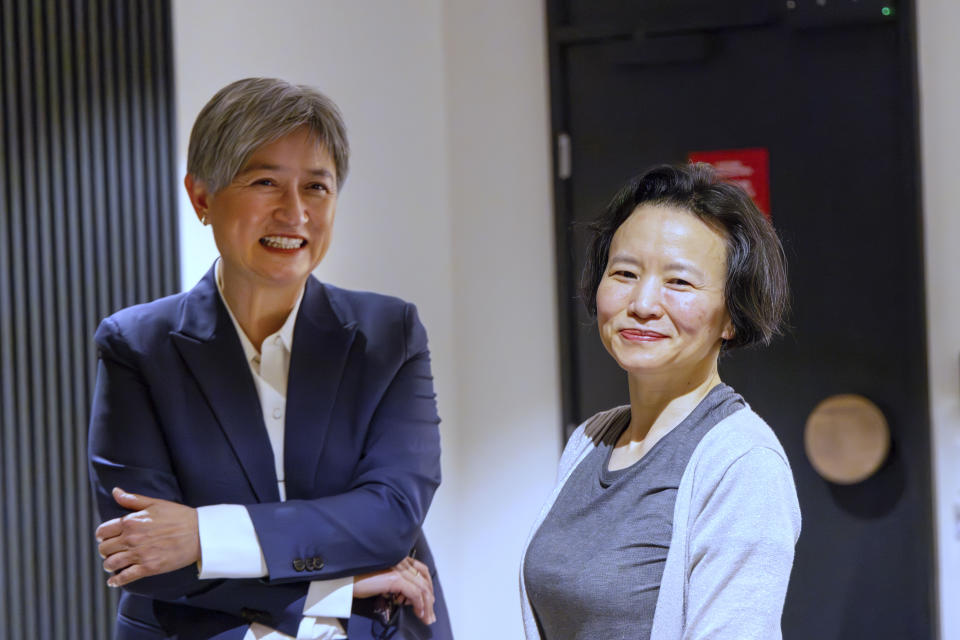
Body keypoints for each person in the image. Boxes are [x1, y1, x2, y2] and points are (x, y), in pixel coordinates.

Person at [88, 77, 452, 640]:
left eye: (317, 187)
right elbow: (142, 552)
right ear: (201, 197)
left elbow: (390, 517)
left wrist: (206, 535)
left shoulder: (388, 336)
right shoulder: (137, 346)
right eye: (265, 182)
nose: (294, 212)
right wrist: (336, 583)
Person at [520, 164, 801, 640]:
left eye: (680, 282)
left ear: (732, 316)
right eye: (625, 273)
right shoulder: (589, 441)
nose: (643, 302)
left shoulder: (742, 463)